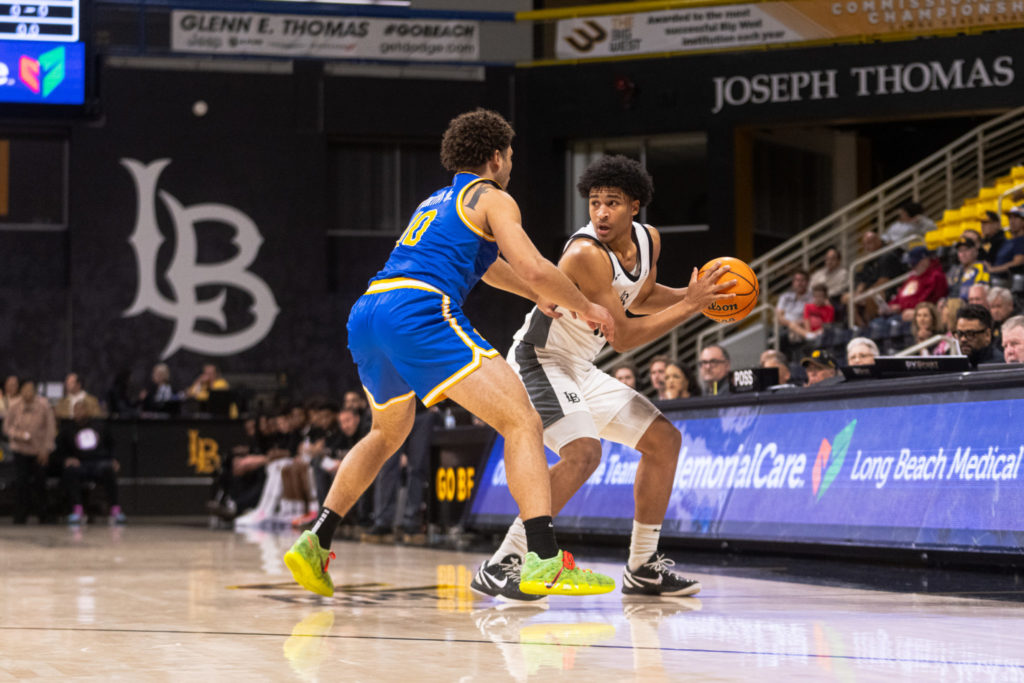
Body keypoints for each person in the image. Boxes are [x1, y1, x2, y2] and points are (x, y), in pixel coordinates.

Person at [283, 108, 621, 598]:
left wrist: (538, 296)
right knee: (521, 421)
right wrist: (585, 305)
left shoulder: (437, 200)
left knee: (386, 431)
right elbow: (533, 265)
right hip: (417, 309)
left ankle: (318, 539)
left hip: (369, 312)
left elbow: (487, 268)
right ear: (496, 156)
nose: (511, 165)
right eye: (510, 157)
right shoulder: (494, 197)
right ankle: (544, 559)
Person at [471, 154, 732, 603]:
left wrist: (692, 297)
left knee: (664, 441)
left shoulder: (649, 240)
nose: (601, 213)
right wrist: (691, 308)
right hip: (540, 359)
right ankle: (504, 562)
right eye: (594, 203)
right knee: (582, 453)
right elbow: (626, 337)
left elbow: (641, 297)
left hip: (579, 367)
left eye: (612, 203)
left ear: (635, 206)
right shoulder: (585, 254)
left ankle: (643, 566)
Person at [58, 401, 124, 525]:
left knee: (109, 469)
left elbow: (112, 444)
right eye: (76, 410)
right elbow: (61, 450)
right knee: (70, 471)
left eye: (82, 410)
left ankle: (115, 509)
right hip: (80, 464)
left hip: (99, 462)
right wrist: (67, 459)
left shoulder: (99, 426)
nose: (79, 413)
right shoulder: (68, 429)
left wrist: (114, 459)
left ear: (88, 411)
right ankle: (77, 509)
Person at [2, 379, 56, 524]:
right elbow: (7, 428)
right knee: (21, 483)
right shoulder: (15, 406)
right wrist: (20, 435)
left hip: (39, 451)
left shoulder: (44, 405)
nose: (28, 392)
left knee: (40, 482)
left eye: (30, 389)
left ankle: (43, 514)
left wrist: (46, 449)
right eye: (25, 389)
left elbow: (50, 429)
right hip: (20, 450)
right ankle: (20, 515)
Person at [843, 230, 902, 326]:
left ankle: (871, 326)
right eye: (865, 244)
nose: (867, 247)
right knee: (847, 298)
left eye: (869, 243)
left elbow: (884, 281)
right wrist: (858, 293)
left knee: (872, 295)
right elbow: (863, 280)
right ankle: (860, 327)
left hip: (889, 290)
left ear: (878, 240)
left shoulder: (887, 255)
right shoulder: (869, 260)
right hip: (871, 290)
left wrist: (864, 294)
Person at [887, 246, 948, 322]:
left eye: (914, 264)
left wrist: (901, 307)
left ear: (925, 261)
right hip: (902, 313)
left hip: (922, 314)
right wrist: (890, 306)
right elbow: (900, 296)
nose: (912, 267)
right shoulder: (913, 277)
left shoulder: (935, 276)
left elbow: (927, 300)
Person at [947, 231, 989, 302]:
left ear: (975, 252)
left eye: (966, 250)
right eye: (960, 251)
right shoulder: (955, 270)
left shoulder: (981, 267)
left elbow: (981, 289)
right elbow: (950, 291)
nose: (963, 254)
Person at [775, 269, 812, 349]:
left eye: (802, 280)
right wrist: (791, 325)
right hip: (784, 326)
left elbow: (811, 317)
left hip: (802, 326)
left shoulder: (812, 298)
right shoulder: (784, 297)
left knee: (788, 335)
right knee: (780, 334)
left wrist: (796, 324)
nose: (799, 283)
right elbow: (779, 317)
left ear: (807, 282)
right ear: (793, 283)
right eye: (797, 280)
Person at [989, 205, 1024, 277]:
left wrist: (992, 269)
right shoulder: (1007, 241)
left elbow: (1018, 262)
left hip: (1008, 283)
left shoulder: (1021, 240)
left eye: (1016, 217)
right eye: (1010, 217)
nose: (1012, 221)